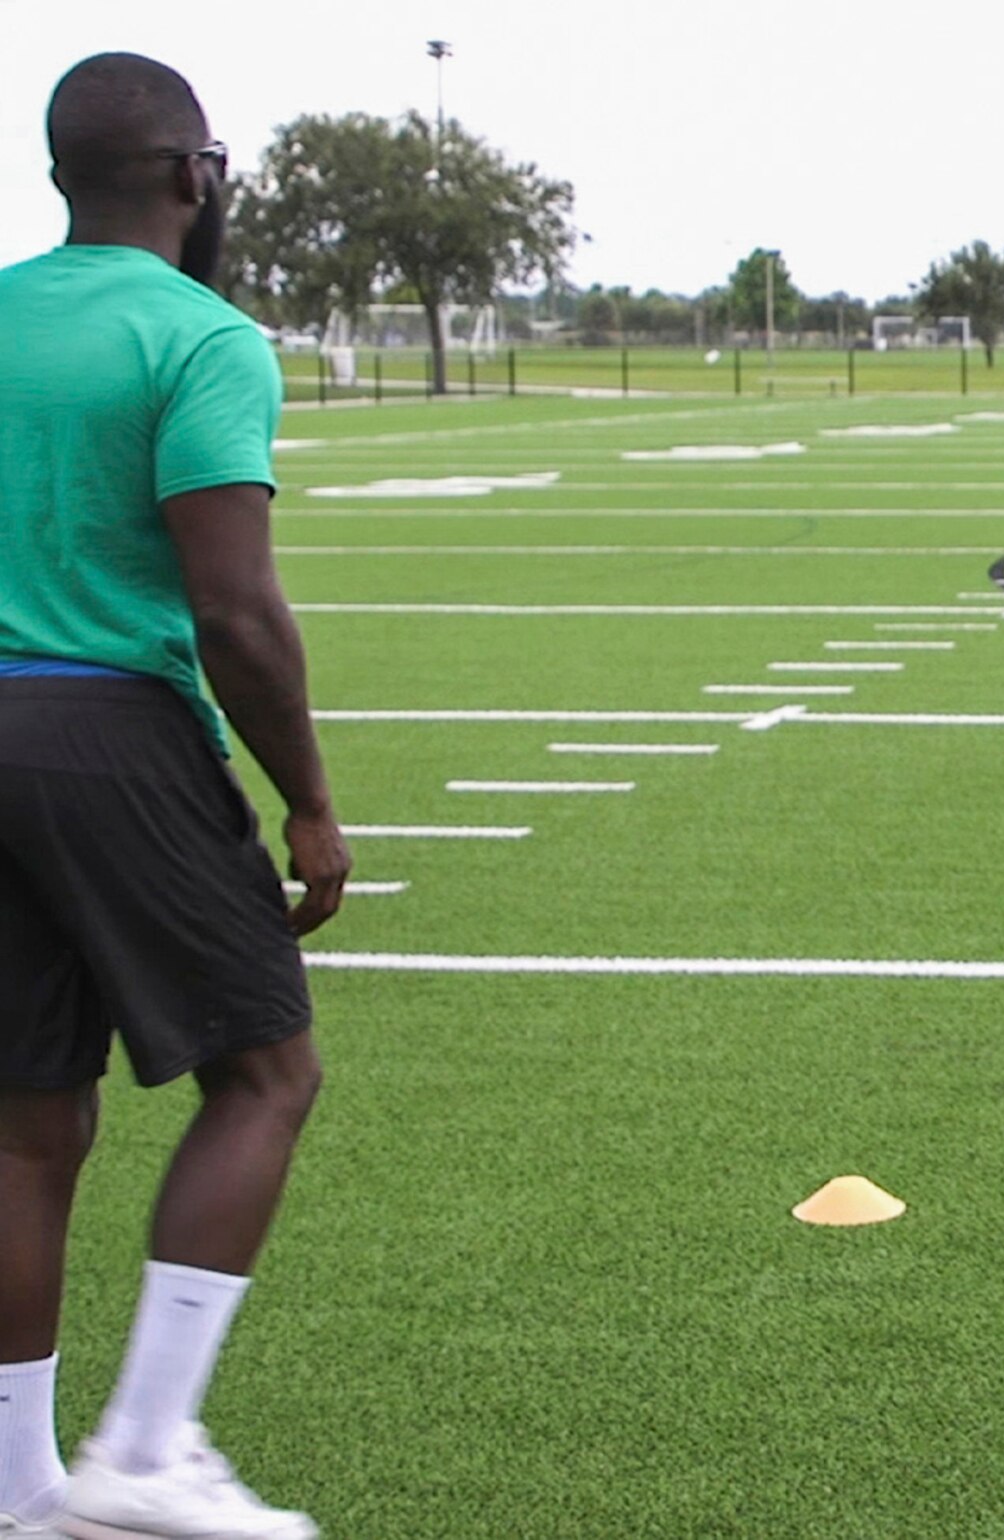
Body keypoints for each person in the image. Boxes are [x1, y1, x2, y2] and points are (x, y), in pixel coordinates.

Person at [0, 53, 349, 1540]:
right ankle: (145, 1446)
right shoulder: (203, 336)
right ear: (190, 175)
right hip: (112, 730)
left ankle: (17, 1493)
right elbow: (236, 612)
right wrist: (311, 804)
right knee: (266, 1075)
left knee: (22, 1126)